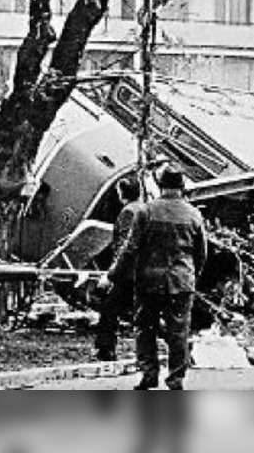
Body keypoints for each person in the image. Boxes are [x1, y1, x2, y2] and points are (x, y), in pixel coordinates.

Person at [106, 165, 207, 390]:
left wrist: (114, 274)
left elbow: (130, 249)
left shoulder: (146, 211)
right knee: (179, 332)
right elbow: (201, 254)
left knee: (145, 329)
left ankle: (149, 375)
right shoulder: (194, 214)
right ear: (182, 186)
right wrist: (190, 275)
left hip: (149, 281)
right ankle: (176, 379)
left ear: (160, 185)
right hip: (181, 281)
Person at [95, 177, 143, 361]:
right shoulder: (145, 209)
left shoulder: (128, 212)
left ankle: (106, 350)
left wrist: (112, 273)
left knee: (109, 309)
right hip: (144, 271)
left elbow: (124, 245)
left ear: (122, 193)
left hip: (128, 272)